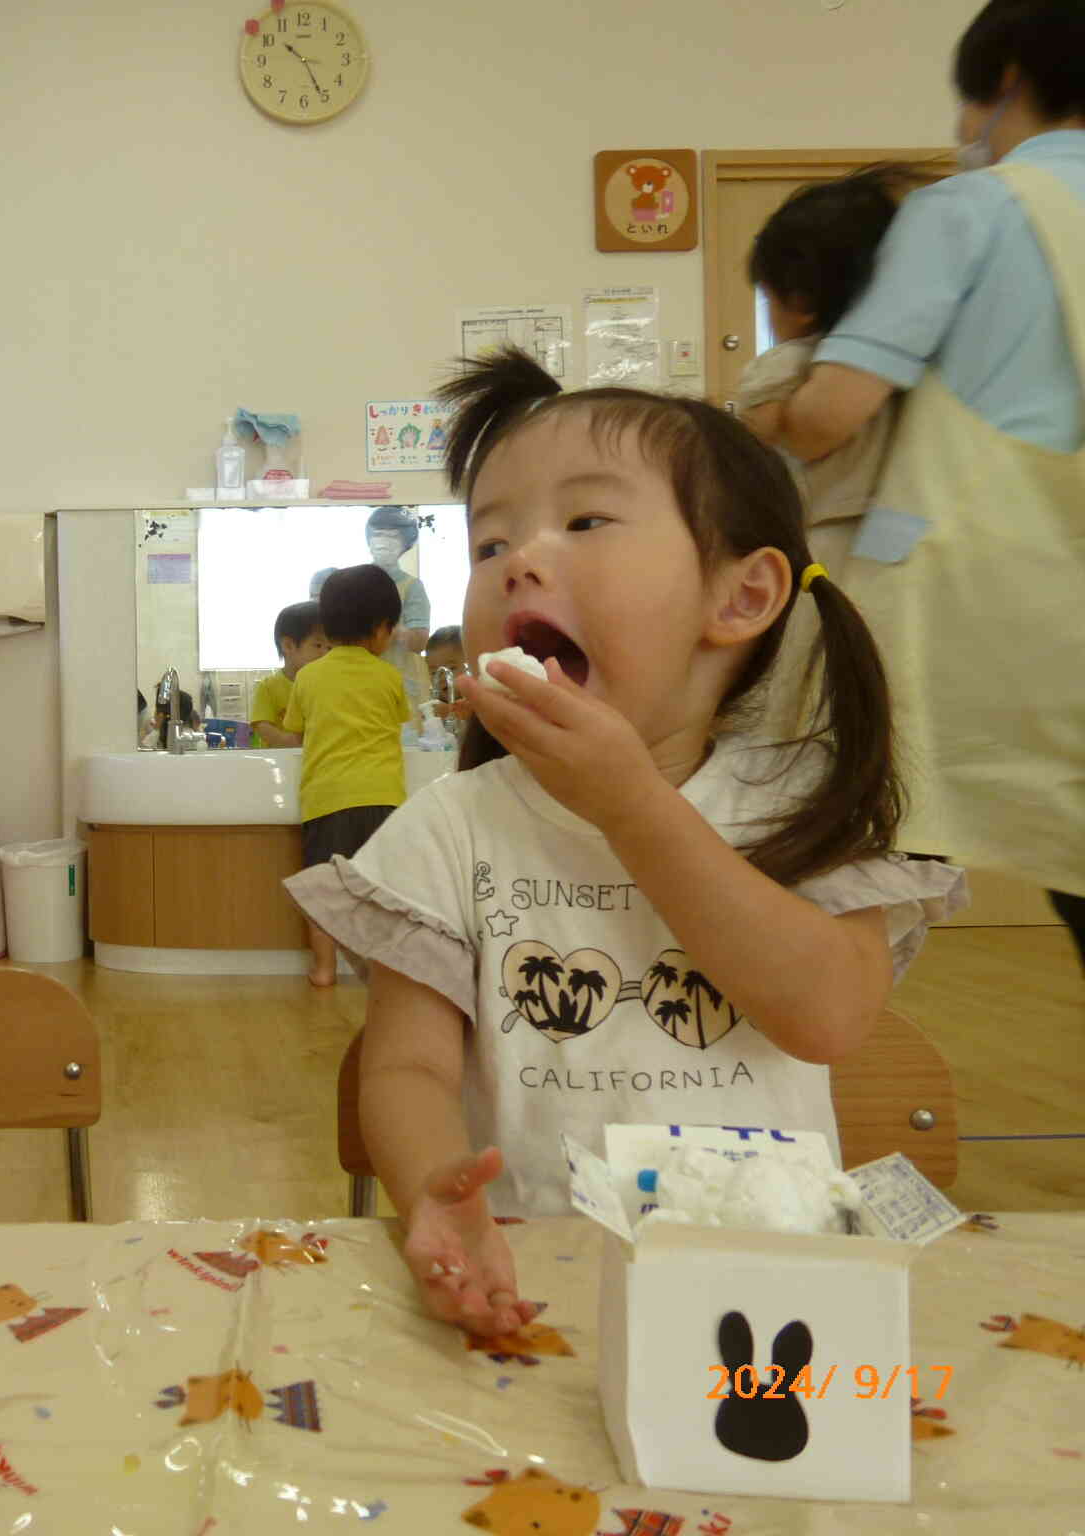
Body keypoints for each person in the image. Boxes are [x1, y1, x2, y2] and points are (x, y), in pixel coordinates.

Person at [287, 350, 964, 1340]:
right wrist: (433, 1185)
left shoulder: (798, 806)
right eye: (486, 544)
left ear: (735, 600)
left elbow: (823, 1015)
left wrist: (629, 804)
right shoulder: (448, 827)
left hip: (763, 1290)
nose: (517, 560)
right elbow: (405, 1067)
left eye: (584, 521)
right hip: (537, 1279)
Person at [773, 0, 1085, 958]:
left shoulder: (972, 211)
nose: (961, 135)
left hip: (983, 597)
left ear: (1004, 83)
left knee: (853, 827)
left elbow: (832, 412)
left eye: (965, 104)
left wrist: (756, 418)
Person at [739, 164, 924, 738]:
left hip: (826, 548)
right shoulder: (908, 361)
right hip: (910, 544)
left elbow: (755, 428)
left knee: (811, 687)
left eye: (768, 298)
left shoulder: (797, 363)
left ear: (799, 299)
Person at [283, 566, 409, 988]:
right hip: (383, 799)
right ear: (379, 630)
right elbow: (399, 723)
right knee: (379, 893)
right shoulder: (390, 676)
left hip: (328, 799)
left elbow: (298, 731)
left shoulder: (308, 677)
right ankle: (380, 969)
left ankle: (323, 970)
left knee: (325, 891)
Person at [364, 506, 434, 712]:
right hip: (361, 679)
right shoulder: (356, 583)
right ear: (369, 539)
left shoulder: (412, 587)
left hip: (401, 679)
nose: (384, 541)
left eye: (393, 536)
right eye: (379, 534)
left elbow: (419, 642)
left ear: (405, 543)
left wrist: (387, 629)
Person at [250, 601, 329, 748]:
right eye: (318, 645)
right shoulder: (268, 687)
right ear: (288, 645)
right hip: (280, 761)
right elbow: (262, 725)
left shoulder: (328, 684)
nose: (325, 653)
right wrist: (289, 742)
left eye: (329, 647)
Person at [423, 625, 470, 725]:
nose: (442, 677)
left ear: (468, 665)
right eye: (434, 672)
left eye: (452, 668)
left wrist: (449, 712)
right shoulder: (433, 701)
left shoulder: (474, 698)